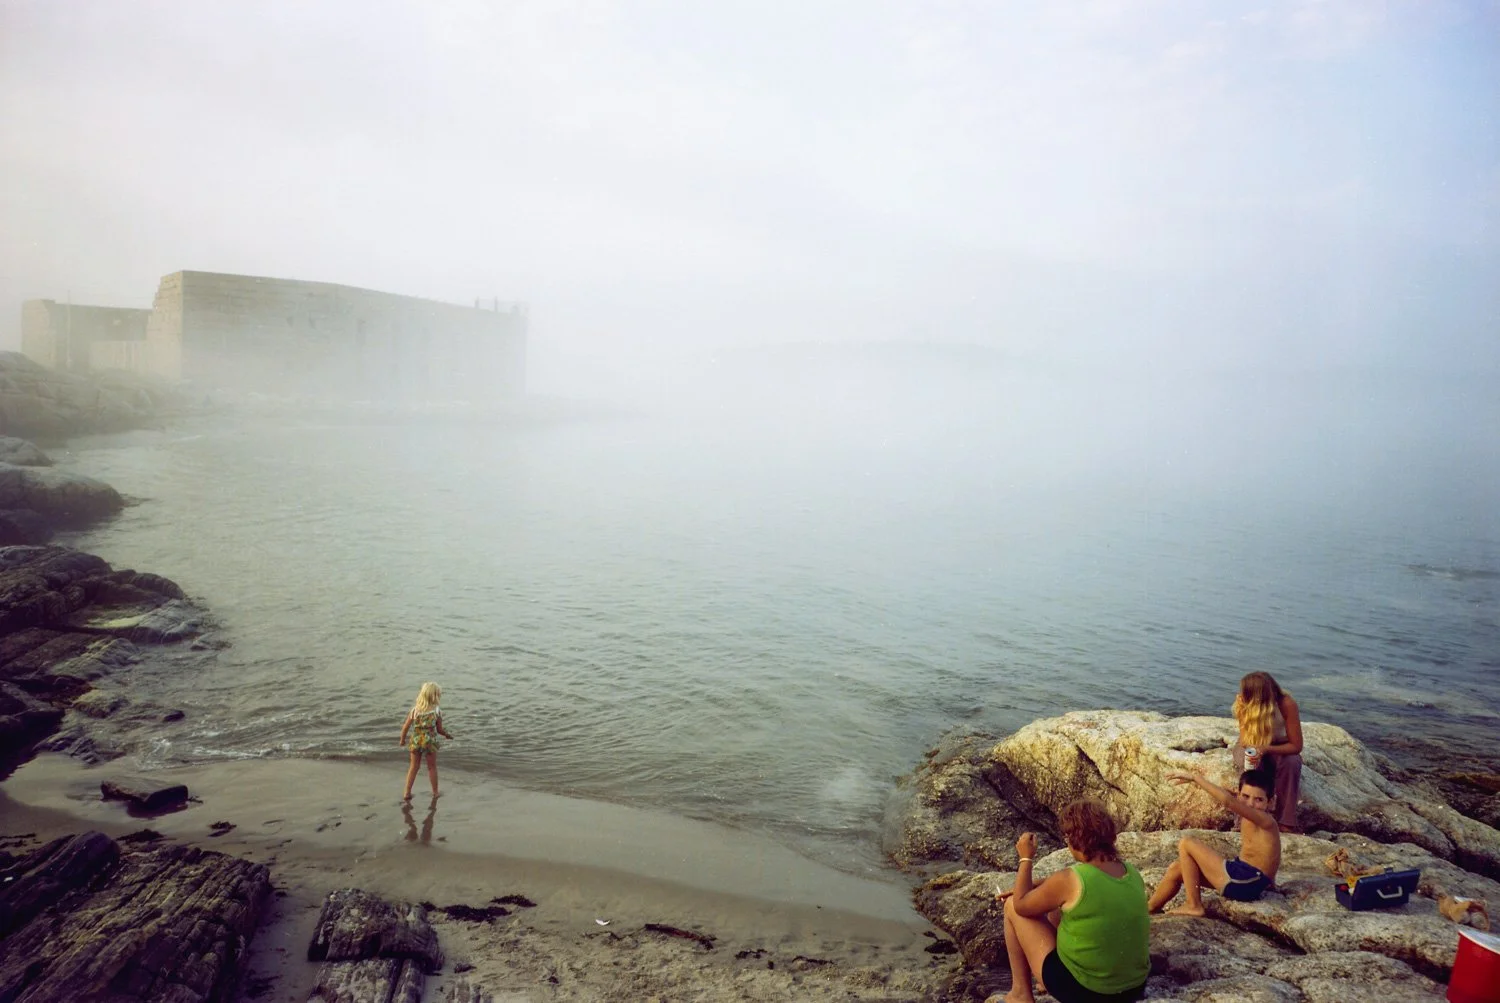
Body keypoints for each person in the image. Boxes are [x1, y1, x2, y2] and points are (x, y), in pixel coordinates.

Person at [994, 799, 1150, 1003]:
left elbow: (1021, 905)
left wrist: (1026, 858)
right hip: (1133, 988)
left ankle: (1020, 993)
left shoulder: (1070, 880)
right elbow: (1081, 887)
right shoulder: (1130, 872)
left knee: (1011, 906)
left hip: (1086, 992)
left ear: (1075, 839)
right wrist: (1039, 885)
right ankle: (1042, 980)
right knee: (1061, 909)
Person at [1147, 768, 1281, 916]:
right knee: (1176, 869)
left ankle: (1193, 905)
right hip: (1245, 880)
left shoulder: (1266, 821)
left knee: (1187, 843)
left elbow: (1227, 801)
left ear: (1270, 802)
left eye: (1259, 800)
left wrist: (1195, 778)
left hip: (1244, 881)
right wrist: (1270, 884)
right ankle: (1149, 909)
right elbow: (1270, 852)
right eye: (1246, 796)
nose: (1250, 803)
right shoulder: (1252, 817)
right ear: (1238, 794)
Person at [1231, 671, 1303, 831]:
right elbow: (1245, 740)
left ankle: (1286, 821)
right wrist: (1257, 751)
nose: (1242, 694)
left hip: (1278, 747)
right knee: (1249, 764)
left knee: (1292, 763)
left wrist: (1266, 749)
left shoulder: (1286, 704)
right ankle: (1242, 820)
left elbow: (1296, 746)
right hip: (1252, 745)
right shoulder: (1245, 702)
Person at [399, 682, 453, 801]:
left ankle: (407, 792)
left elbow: (405, 727)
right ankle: (435, 792)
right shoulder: (436, 711)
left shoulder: (415, 710)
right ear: (435, 696)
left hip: (416, 740)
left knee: (413, 766)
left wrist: (402, 739)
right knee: (432, 767)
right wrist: (447, 735)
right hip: (429, 741)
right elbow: (439, 730)